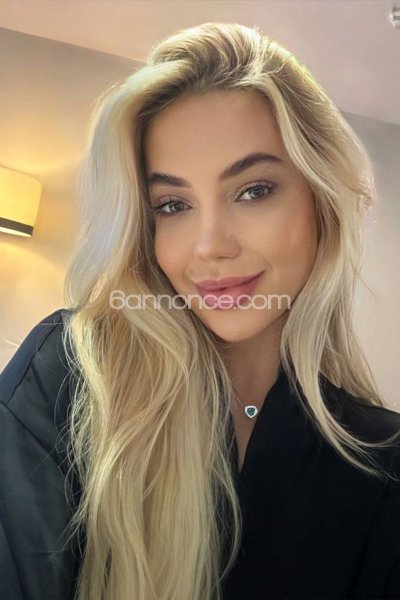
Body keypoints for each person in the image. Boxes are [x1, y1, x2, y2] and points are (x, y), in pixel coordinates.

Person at [0, 21, 400, 600]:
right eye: (172, 204)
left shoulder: (383, 459)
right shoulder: (70, 375)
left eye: (253, 190)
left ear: (322, 200)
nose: (210, 246)